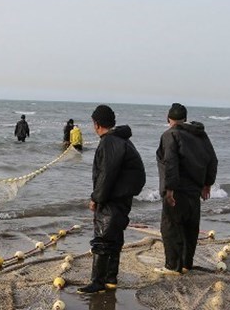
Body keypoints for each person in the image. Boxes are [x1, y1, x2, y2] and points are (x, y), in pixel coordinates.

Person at [78, 105, 146, 294]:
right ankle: (110, 278)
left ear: (96, 124)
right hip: (123, 197)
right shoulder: (123, 141)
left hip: (112, 198)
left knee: (102, 238)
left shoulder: (109, 142)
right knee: (115, 237)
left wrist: (96, 198)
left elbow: (106, 174)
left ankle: (97, 282)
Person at [155, 102, 218, 275]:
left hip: (177, 191)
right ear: (185, 119)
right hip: (194, 191)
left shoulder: (170, 135)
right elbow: (212, 160)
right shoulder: (200, 135)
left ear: (168, 118)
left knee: (170, 228)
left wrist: (169, 190)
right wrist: (207, 184)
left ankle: (172, 266)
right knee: (190, 229)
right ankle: (185, 264)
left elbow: (170, 163)